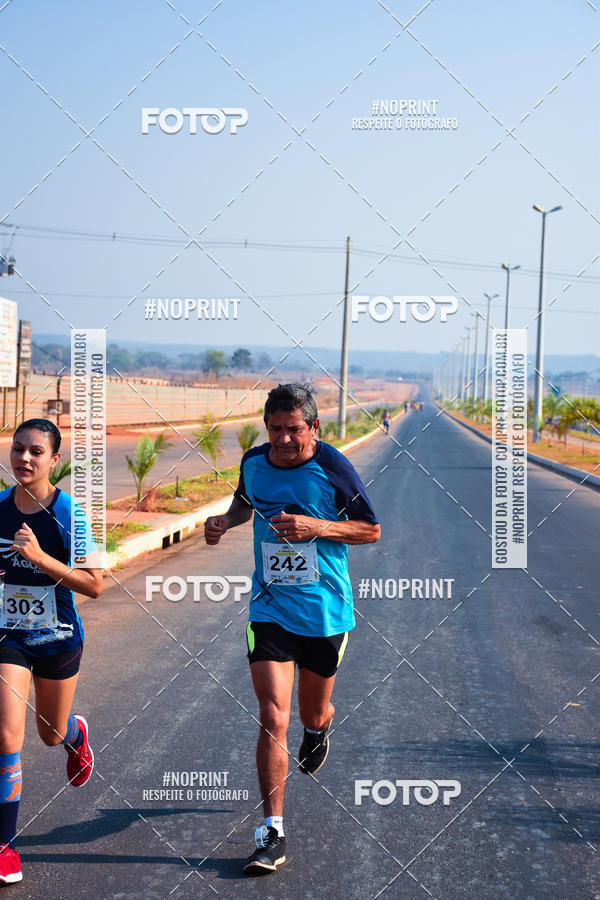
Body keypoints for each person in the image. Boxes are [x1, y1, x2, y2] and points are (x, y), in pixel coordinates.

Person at [204, 384, 380, 876]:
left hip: (325, 613)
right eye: (275, 429)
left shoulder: (333, 467)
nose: (282, 440)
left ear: (314, 428)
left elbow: (371, 529)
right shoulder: (254, 461)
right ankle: (272, 832)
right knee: (271, 715)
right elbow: (245, 503)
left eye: (294, 430)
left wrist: (315, 527)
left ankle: (319, 728)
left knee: (310, 710)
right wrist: (225, 521)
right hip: (271, 607)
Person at [0, 419, 103, 884]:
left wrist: (41, 558)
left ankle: (75, 736)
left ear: (54, 460)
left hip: (58, 638)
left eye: (36, 451)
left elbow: (95, 585)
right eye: (17, 448)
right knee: (6, 736)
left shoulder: (70, 515)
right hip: (8, 637)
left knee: (49, 733)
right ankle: (5, 845)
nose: (24, 458)